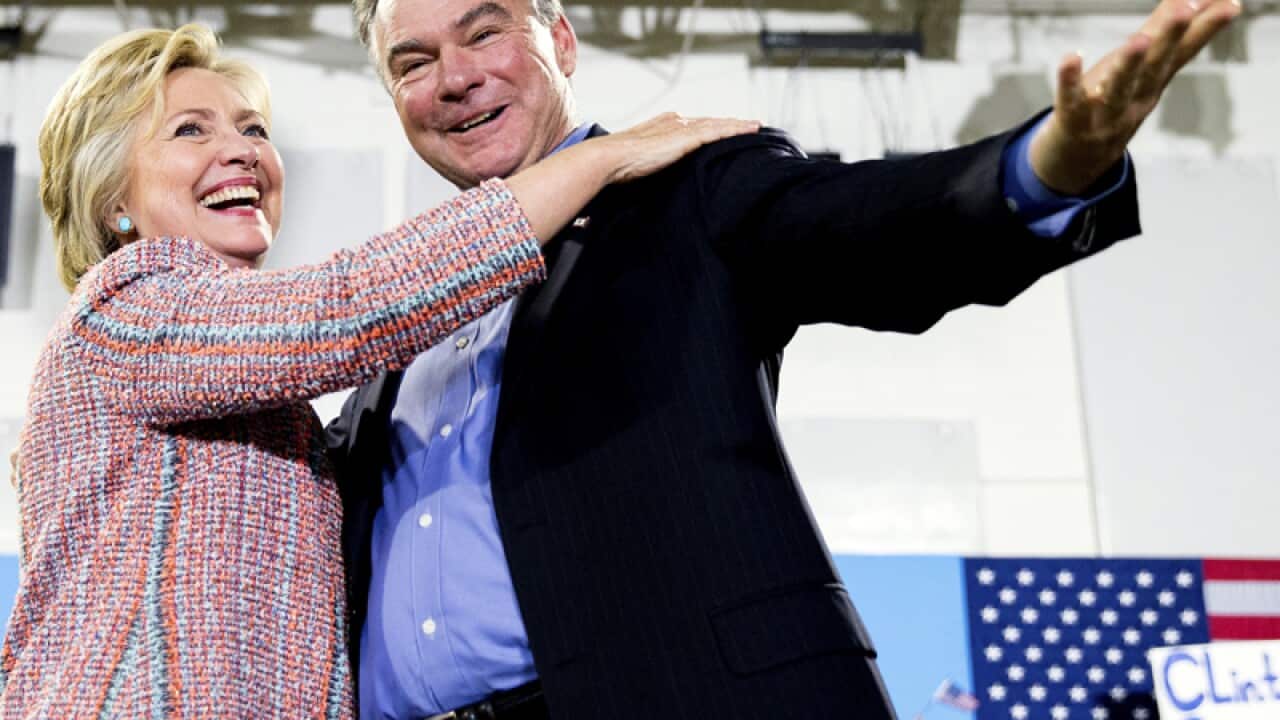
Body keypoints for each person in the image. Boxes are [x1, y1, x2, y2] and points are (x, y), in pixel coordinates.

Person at [329, 1, 1241, 718]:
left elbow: (862, 222)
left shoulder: (687, 186)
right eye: (413, 62)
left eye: (483, 32)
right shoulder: (398, 316)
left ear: (561, 42)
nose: (453, 77)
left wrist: (1046, 167)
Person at [0, 23, 756, 716]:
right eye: (190, 130)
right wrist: (601, 156)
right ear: (111, 201)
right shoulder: (126, 308)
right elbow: (353, 306)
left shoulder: (254, 396)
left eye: (253, 129)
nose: (242, 151)